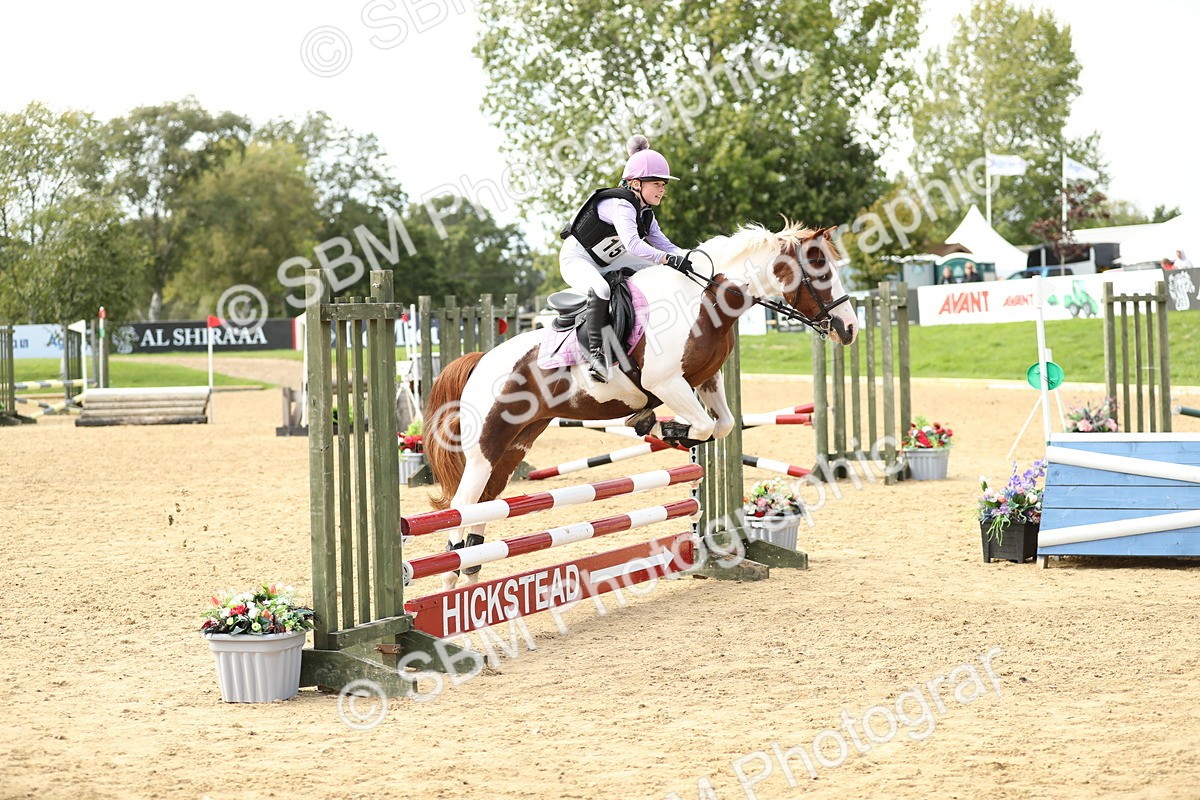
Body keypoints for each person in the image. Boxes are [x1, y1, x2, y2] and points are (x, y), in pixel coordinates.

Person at [559, 134, 689, 381]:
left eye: (664, 184)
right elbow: (633, 244)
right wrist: (668, 259)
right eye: (657, 183)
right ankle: (597, 357)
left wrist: (689, 258)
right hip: (577, 259)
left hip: (608, 260)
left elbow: (664, 245)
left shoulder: (646, 213)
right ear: (637, 184)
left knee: (655, 268)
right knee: (600, 288)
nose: (662, 188)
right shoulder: (622, 205)